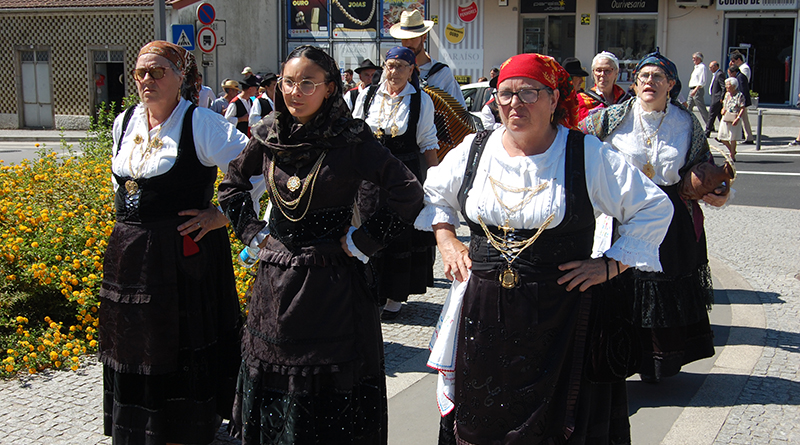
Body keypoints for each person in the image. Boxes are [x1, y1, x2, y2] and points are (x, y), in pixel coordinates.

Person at [419, 53, 672, 444]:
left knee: (555, 421)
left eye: (528, 93)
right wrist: (447, 239)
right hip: (483, 312)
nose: (514, 104)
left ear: (554, 99)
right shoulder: (475, 150)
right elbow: (435, 194)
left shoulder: (586, 154)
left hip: (561, 312)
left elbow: (653, 207)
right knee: (483, 417)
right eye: (505, 93)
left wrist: (609, 265)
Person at [217, 44, 424, 444]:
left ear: (329, 88)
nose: (295, 92)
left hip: (333, 283)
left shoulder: (351, 139)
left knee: (326, 384)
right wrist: (253, 232)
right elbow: (232, 185)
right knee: (276, 374)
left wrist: (364, 240)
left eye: (308, 83)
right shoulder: (270, 133)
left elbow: (408, 191)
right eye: (288, 82)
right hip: (275, 282)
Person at [99, 40, 265, 445]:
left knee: (178, 339)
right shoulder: (124, 122)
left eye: (157, 72)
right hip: (130, 254)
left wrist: (222, 214)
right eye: (141, 72)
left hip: (182, 256)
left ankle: (184, 426)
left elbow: (259, 169)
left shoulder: (200, 123)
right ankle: (140, 424)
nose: (147, 80)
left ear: (180, 78)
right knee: (137, 339)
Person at [580, 49, 729, 384]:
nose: (649, 82)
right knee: (622, 285)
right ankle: (618, 360)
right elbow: (575, 146)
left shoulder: (686, 123)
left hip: (671, 220)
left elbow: (701, 166)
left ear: (671, 84)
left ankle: (656, 363)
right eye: (643, 77)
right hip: (623, 214)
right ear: (634, 84)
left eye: (657, 77)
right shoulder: (610, 119)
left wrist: (717, 191)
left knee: (661, 291)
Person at [352, 46, 439, 319]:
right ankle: (372, 290)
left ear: (411, 70)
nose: (395, 71)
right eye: (391, 65)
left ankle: (393, 296)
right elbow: (354, 134)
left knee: (398, 232)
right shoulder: (367, 95)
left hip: (403, 176)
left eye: (402, 66)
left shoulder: (421, 100)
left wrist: (436, 183)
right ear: (384, 68)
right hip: (370, 177)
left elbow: (428, 143)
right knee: (368, 227)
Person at [390, 9, 467, 108]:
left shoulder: (442, 74)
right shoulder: (392, 71)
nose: (408, 43)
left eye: (413, 38)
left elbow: (459, 110)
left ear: (424, 37)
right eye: (404, 38)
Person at [576, 51, 631, 121]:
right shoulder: (580, 100)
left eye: (607, 70)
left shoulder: (626, 101)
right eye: (598, 70)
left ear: (616, 73)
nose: (602, 74)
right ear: (593, 73)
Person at [729, 52, 754, 143]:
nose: (732, 63)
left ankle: (748, 137)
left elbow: (742, 86)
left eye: (733, 61)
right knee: (742, 119)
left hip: (741, 99)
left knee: (743, 118)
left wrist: (740, 99)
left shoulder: (744, 69)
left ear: (739, 60)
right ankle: (746, 136)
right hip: (740, 99)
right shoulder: (740, 71)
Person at [718, 77, 745, 161]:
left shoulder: (739, 95)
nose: (726, 86)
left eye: (728, 85)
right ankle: (732, 151)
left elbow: (742, 108)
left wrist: (738, 118)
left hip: (734, 117)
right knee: (722, 137)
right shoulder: (727, 94)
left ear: (734, 86)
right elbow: (725, 104)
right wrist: (723, 109)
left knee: (733, 138)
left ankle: (732, 156)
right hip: (726, 117)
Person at [687, 52, 709, 127]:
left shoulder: (702, 67)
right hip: (692, 89)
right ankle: (687, 123)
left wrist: (695, 90)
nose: (693, 59)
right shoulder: (696, 67)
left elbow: (702, 81)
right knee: (688, 107)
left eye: (694, 58)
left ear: (699, 58)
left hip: (697, 89)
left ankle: (709, 124)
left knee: (701, 108)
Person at [705, 60, 726, 137]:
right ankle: (724, 132)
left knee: (711, 115)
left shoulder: (720, 74)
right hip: (714, 97)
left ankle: (707, 132)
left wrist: (721, 97)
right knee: (720, 116)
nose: (710, 69)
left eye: (711, 67)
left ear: (716, 66)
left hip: (717, 98)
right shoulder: (716, 74)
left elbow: (723, 87)